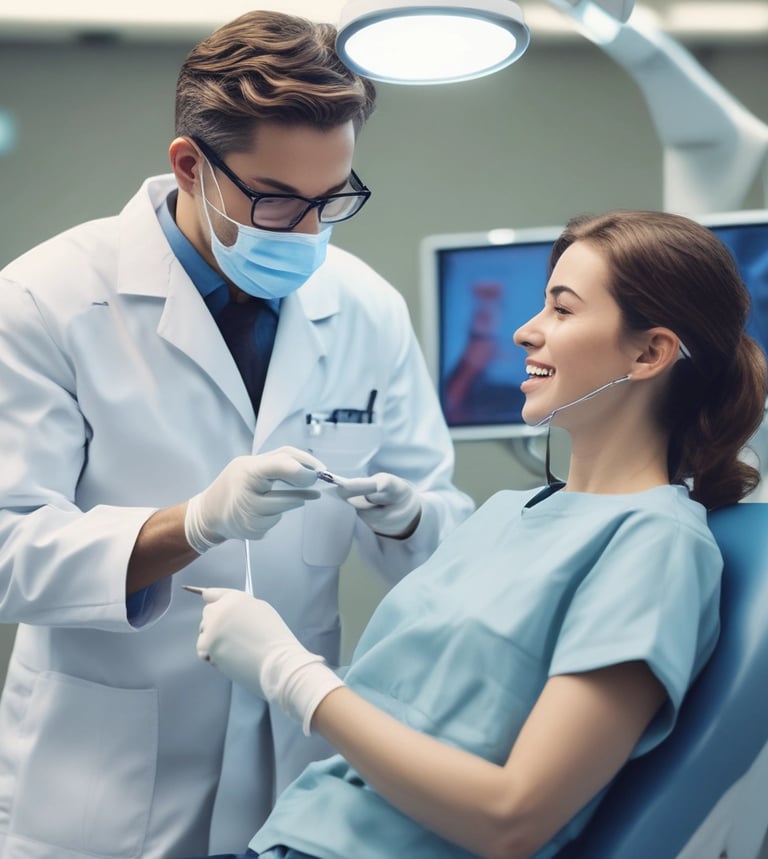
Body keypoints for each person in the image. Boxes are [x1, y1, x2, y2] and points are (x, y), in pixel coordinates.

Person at [0, 10, 474, 859]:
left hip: (296, 783)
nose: (307, 231)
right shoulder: (45, 301)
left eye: (334, 200)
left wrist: (409, 517)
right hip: (99, 793)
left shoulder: (365, 306)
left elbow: (441, 540)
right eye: (278, 199)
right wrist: (193, 523)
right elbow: (8, 550)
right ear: (190, 164)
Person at [189, 209, 767, 859]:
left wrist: (287, 670)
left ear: (649, 352)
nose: (525, 331)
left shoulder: (656, 544)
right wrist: (407, 522)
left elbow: (512, 817)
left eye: (563, 310)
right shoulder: (506, 510)